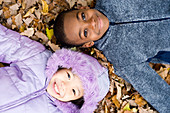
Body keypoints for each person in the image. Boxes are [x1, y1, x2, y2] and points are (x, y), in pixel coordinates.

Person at [53, 0, 170, 112]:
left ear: (83, 8)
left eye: (83, 16)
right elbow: (159, 95)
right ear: (88, 44)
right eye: (85, 32)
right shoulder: (122, 58)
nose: (91, 23)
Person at [0, 24, 110, 113]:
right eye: (68, 76)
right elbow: (7, 43)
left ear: (75, 101)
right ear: (64, 66)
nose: (64, 86)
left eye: (74, 91)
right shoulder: (38, 57)